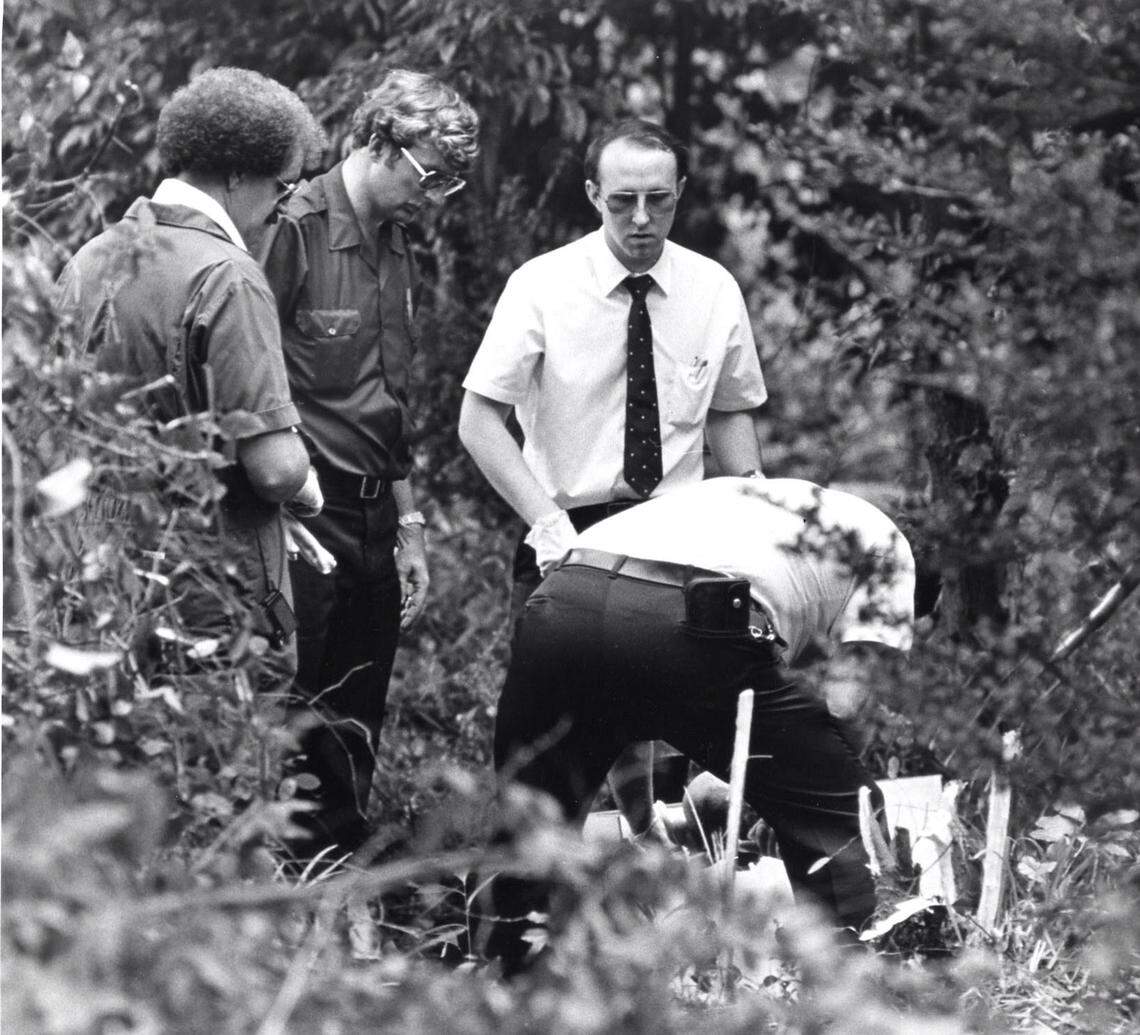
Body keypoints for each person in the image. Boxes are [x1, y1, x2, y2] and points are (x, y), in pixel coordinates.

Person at [487, 476, 917, 971]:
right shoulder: (890, 544)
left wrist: (645, 820)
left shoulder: (746, 498)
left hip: (562, 599)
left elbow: (622, 702)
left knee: (529, 833)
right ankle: (848, 994)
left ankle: (506, 994)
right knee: (841, 816)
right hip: (690, 618)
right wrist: (793, 800)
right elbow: (847, 705)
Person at [260, 69, 479, 857]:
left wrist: (411, 523)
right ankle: (270, 897)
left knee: (358, 718)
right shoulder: (292, 227)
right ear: (380, 141)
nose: (434, 195)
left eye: (448, 183)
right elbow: (249, 375)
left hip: (375, 512)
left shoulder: (396, 243)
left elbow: (391, 402)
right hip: (300, 513)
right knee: (292, 711)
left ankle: (341, 888)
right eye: (429, 175)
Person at [57, 67, 327, 672]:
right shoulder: (228, 275)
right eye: (282, 187)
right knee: (220, 760)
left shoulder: (88, 259)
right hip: (207, 599)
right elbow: (277, 470)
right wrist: (305, 494)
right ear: (236, 174)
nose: (283, 208)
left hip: (96, 579)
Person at [458, 117, 769, 615]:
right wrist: (547, 525)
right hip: (566, 534)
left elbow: (728, 411)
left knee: (668, 692)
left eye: (658, 199)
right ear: (594, 194)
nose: (641, 218)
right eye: (623, 201)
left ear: (680, 192)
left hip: (676, 540)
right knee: (555, 692)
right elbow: (478, 421)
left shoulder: (714, 289)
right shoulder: (540, 286)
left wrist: (757, 512)